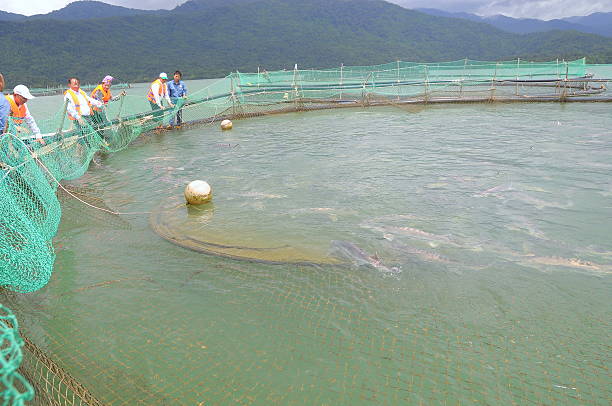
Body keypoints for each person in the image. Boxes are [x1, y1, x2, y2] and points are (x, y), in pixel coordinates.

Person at [64, 77, 103, 141]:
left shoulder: (81, 92)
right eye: (74, 83)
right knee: (83, 135)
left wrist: (99, 103)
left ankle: (87, 148)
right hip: (80, 118)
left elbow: (89, 99)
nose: (76, 84)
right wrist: (78, 117)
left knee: (88, 134)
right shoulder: (68, 95)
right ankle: (81, 150)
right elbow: (69, 108)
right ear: (69, 85)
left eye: (77, 82)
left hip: (88, 116)